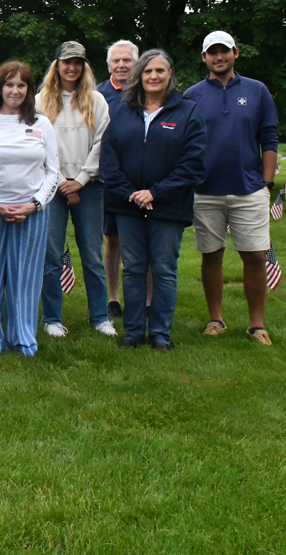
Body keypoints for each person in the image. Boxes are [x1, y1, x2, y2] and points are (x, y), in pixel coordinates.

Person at [100, 50, 206, 350]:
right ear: (139, 76)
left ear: (170, 75)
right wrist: (131, 193)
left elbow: (193, 163)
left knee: (163, 269)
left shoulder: (188, 112)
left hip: (168, 207)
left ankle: (160, 334)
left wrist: (155, 193)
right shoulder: (121, 111)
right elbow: (109, 159)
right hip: (127, 205)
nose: (154, 76)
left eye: (160, 71)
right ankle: (133, 333)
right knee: (133, 268)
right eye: (148, 71)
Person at [183, 31, 278, 345]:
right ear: (204, 58)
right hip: (206, 191)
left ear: (236, 53)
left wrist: (266, 183)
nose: (218, 57)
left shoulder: (257, 90)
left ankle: (257, 325)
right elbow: (184, 143)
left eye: (224, 51)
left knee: (254, 256)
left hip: (249, 190)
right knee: (211, 256)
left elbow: (269, 138)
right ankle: (216, 319)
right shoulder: (192, 95)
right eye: (212, 53)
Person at [0, 62, 60, 357]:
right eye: (9, 84)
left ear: (30, 90)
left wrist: (35, 204)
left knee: (26, 278)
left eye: (22, 85)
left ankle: (23, 338)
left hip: (31, 213)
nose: (15, 90)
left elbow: (53, 172)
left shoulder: (42, 125)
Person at [37, 41, 114, 338]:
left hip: (89, 187)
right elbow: (37, 145)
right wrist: (59, 183)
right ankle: (52, 318)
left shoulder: (96, 100)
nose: (72, 68)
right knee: (51, 254)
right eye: (66, 62)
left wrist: (80, 180)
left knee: (93, 255)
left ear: (84, 66)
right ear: (57, 64)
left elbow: (101, 144)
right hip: (52, 188)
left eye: (77, 63)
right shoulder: (40, 101)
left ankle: (99, 317)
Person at [98, 39, 143, 319]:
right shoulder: (98, 94)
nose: (122, 65)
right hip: (110, 180)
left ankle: (146, 300)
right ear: (108, 65)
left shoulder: (149, 91)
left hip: (145, 178)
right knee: (112, 239)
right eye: (116, 60)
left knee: (145, 241)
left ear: (136, 62)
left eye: (127, 60)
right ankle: (113, 298)